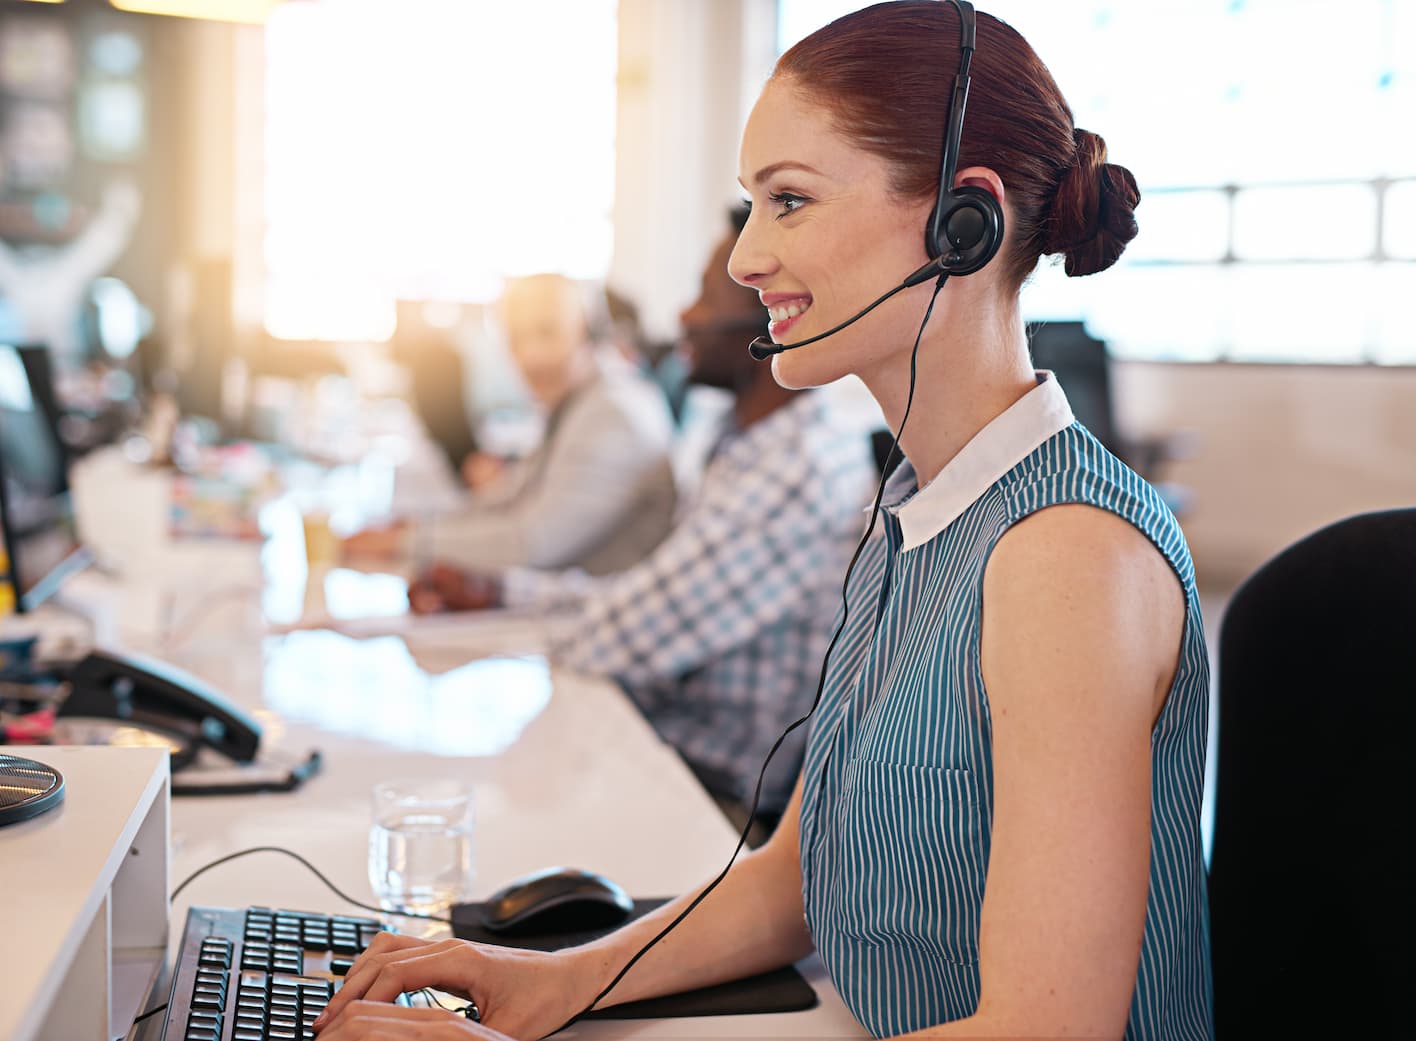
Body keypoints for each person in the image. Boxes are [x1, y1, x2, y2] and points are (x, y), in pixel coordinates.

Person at [313, 3, 1212, 1039]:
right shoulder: (923, 506)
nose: (744, 260)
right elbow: (793, 875)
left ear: (963, 222)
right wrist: (554, 980)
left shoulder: (1069, 557)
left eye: (788, 201)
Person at [405, 207, 875, 827]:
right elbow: (645, 598)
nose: (683, 317)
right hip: (668, 746)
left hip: (720, 802)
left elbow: (625, 636)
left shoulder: (792, 470)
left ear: (777, 314)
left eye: (704, 298)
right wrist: (498, 590)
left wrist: (510, 602)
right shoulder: (738, 438)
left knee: (471, 806)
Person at [342, 273, 676, 576]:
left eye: (548, 332)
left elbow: (532, 543)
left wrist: (407, 542)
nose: (531, 357)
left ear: (590, 333)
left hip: (588, 619)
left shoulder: (614, 414)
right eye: (516, 339)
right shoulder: (580, 401)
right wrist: (412, 527)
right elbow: (512, 499)